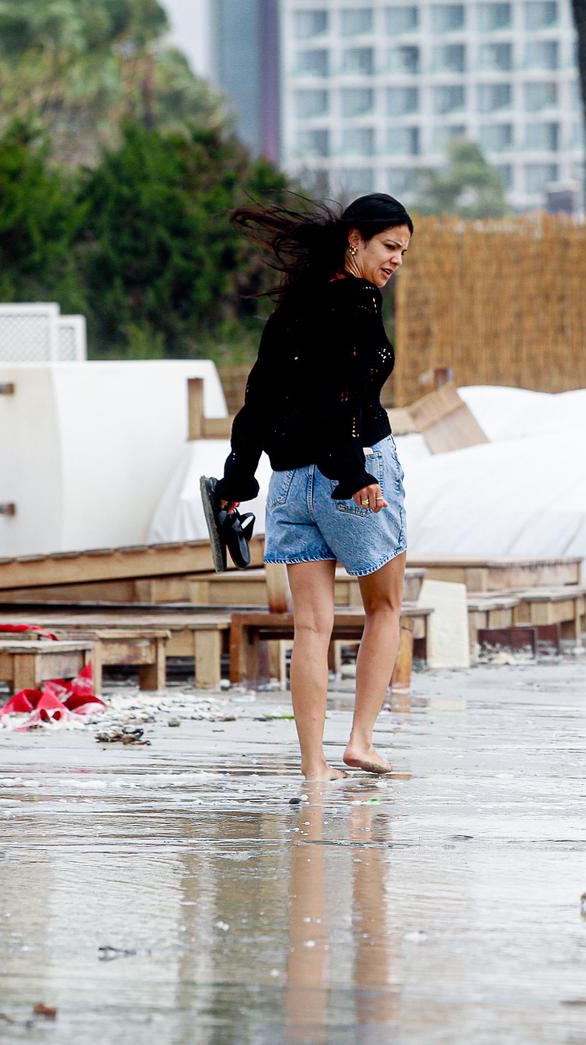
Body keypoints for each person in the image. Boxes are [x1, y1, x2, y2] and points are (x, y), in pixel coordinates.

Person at [215, 192, 415, 782]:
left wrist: (236, 480)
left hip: (287, 483)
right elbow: (344, 400)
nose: (397, 260)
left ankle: (313, 765)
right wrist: (354, 474)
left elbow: (257, 402)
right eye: (389, 246)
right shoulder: (356, 302)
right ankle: (360, 741)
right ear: (354, 239)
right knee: (385, 607)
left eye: (403, 250)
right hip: (348, 477)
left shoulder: (291, 309)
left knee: (311, 628)